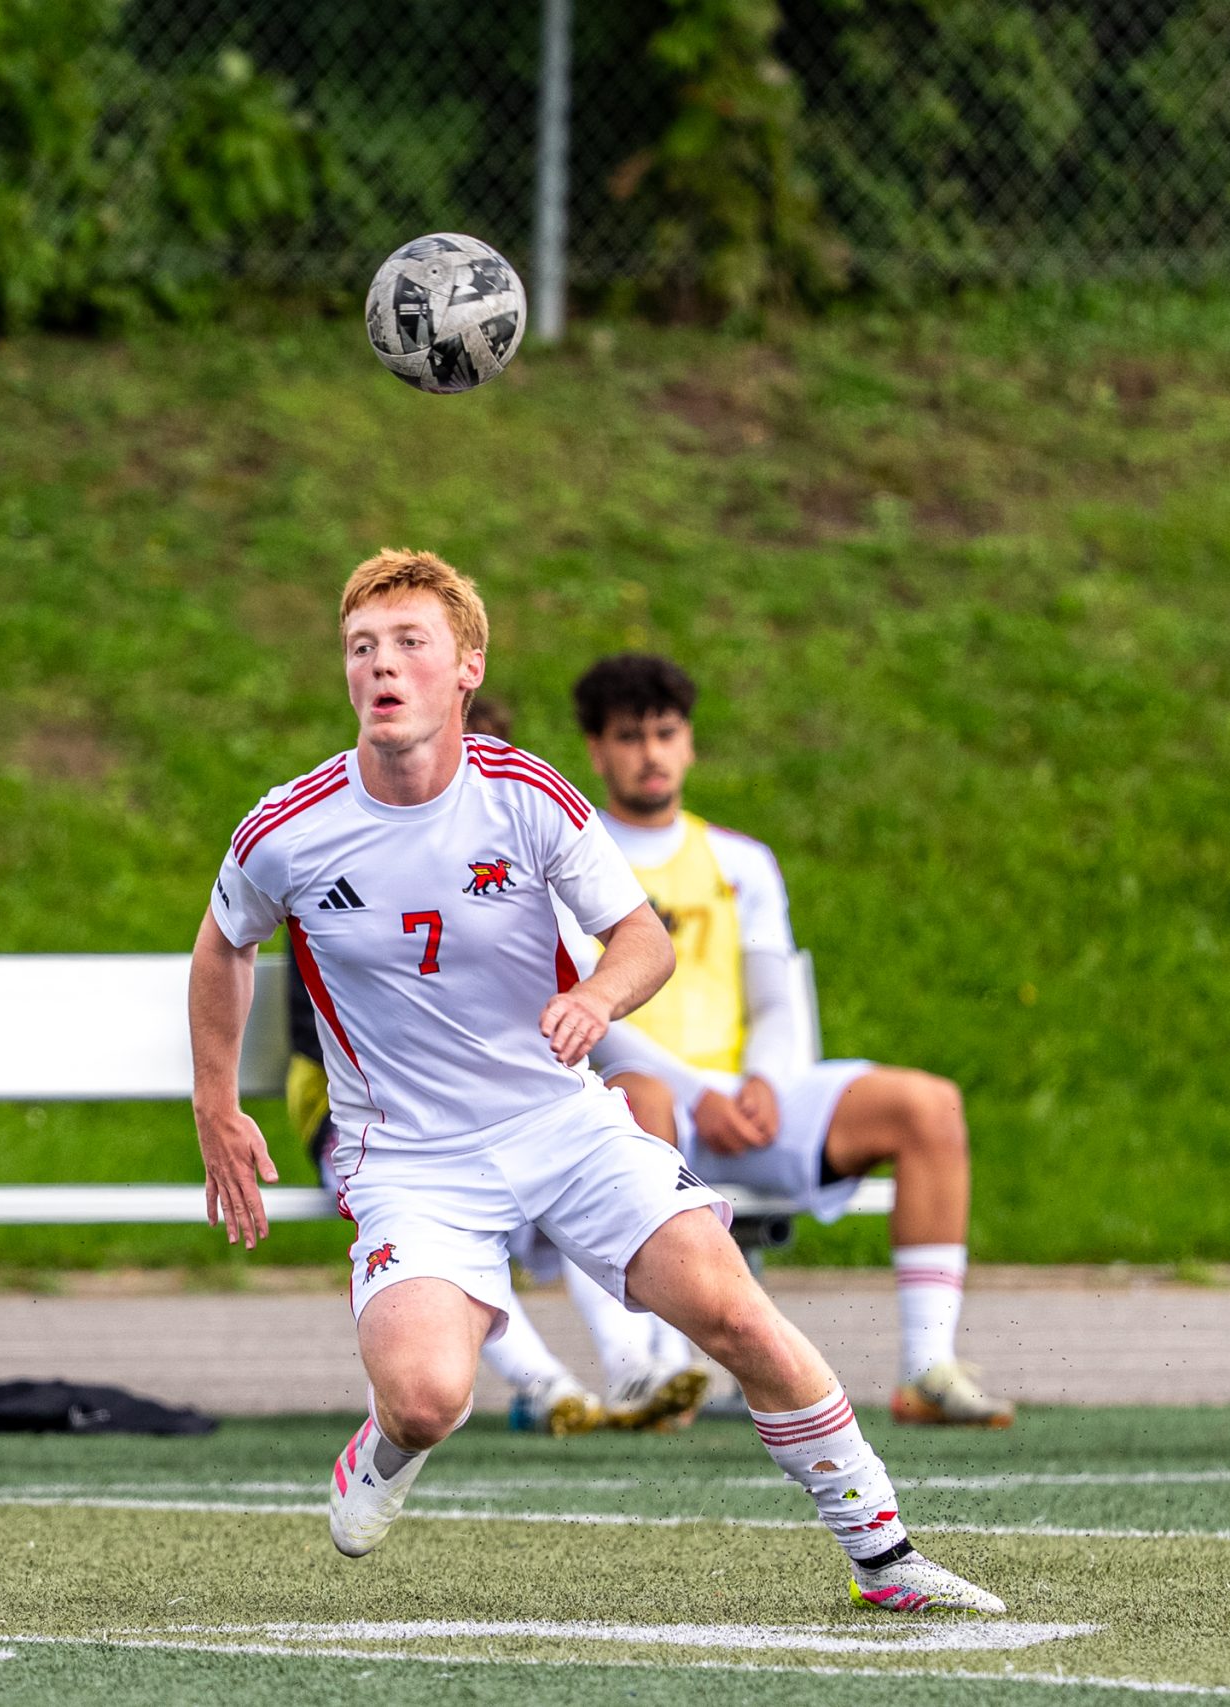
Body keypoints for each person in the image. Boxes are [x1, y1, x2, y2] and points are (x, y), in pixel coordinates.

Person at [188, 551, 1001, 1613]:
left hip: (561, 1124)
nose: (381, 666)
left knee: (737, 1316)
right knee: (429, 1400)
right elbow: (222, 945)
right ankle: (386, 1450)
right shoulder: (288, 826)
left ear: (465, 668)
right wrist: (216, 1106)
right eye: (361, 648)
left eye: (409, 644)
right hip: (413, 1160)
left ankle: (886, 1560)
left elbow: (641, 939)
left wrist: (598, 1000)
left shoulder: (526, 799)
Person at [569, 654, 1014, 1427]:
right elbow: (592, 1013)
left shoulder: (742, 861)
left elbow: (774, 1000)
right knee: (635, 1099)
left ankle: (926, 1369)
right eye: (629, 736)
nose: (650, 752)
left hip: (746, 1106)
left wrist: (765, 1082)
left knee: (928, 1105)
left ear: (690, 744)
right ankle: (660, 1376)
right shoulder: (573, 856)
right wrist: (699, 1094)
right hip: (644, 1109)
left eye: (666, 733)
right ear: (596, 750)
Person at [283, 697, 703, 1436]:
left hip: (507, 1108)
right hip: (380, 1123)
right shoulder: (339, 856)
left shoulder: (516, 855)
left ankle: (634, 1363)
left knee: (585, 1157)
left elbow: (584, 988)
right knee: (454, 1218)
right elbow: (319, 1019)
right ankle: (545, 1384)